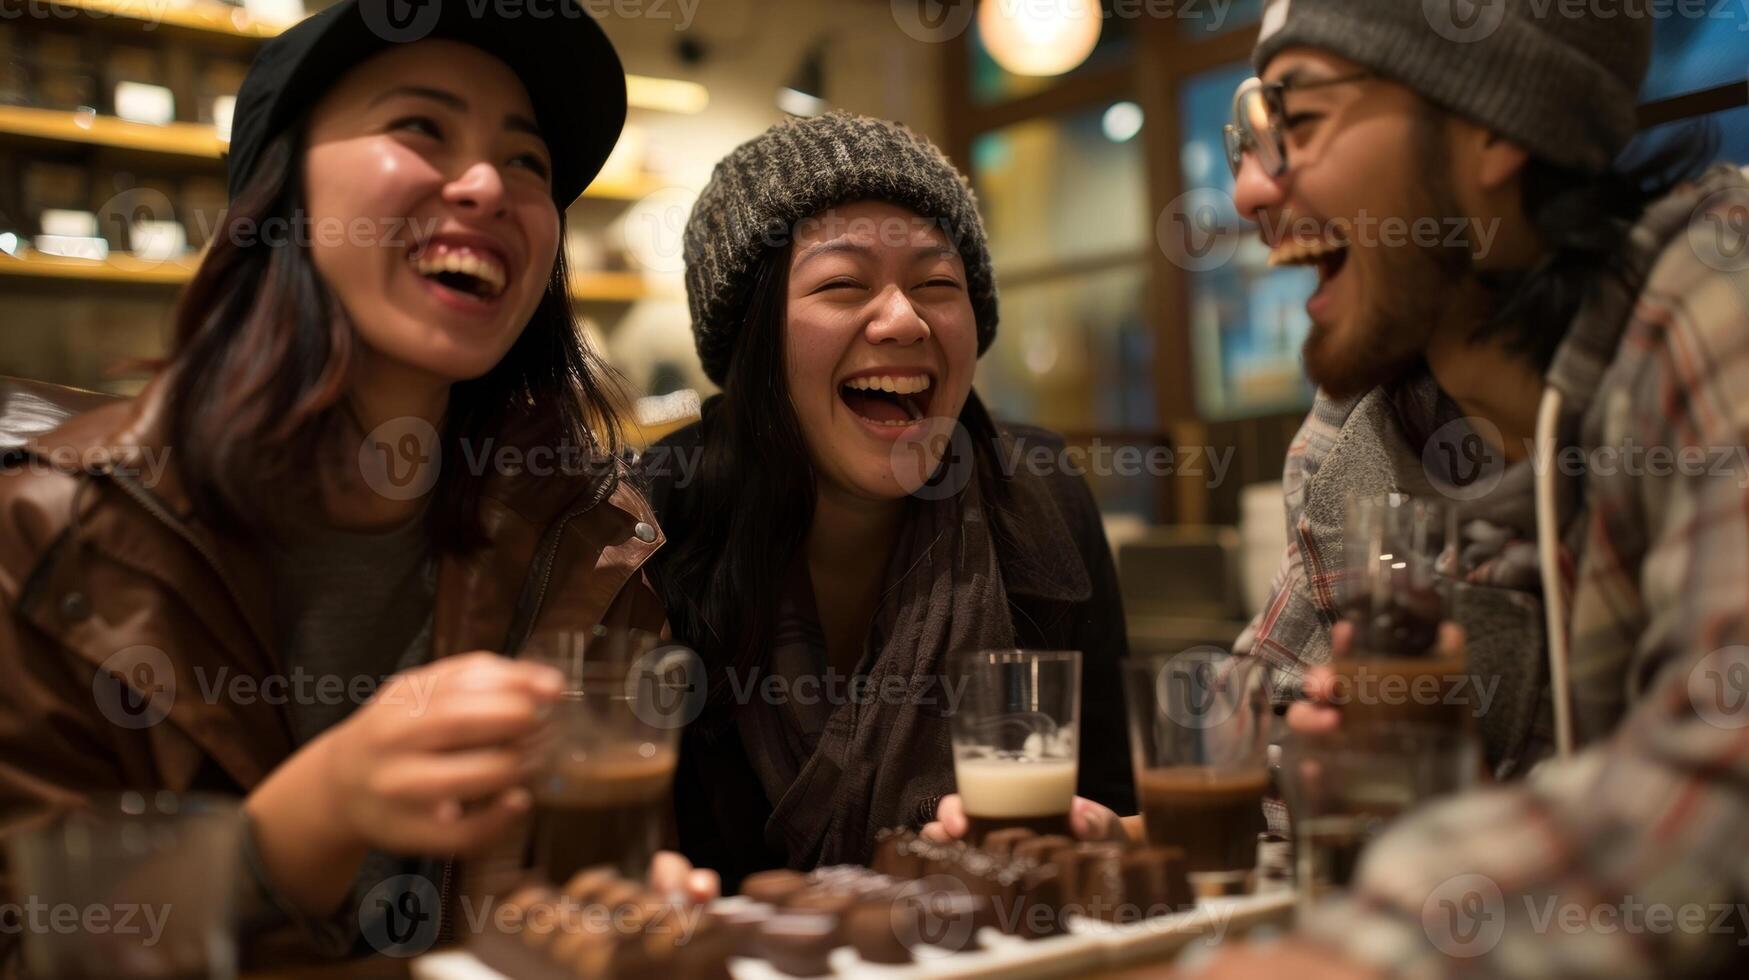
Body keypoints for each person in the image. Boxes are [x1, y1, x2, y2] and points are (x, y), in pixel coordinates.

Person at [0, 1, 704, 966]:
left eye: (528, 162)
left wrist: (613, 915)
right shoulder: (52, 533)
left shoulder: (588, 542)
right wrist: (301, 823)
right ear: (281, 194)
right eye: (421, 127)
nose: (489, 184)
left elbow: (561, 891)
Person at [1192, 1, 1749, 976]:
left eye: (1303, 123)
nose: (1247, 188)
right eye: (1250, 137)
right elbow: (1265, 788)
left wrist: (1357, 955)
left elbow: (1716, 797)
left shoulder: (1714, 300)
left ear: (1494, 121)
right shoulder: (1355, 441)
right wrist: (1123, 853)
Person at [638, 112, 1135, 891]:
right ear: (750, 340)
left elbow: (1114, 801)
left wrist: (1099, 837)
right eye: (842, 284)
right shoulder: (648, 522)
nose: (904, 319)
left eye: (939, 285)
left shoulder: (1037, 492)